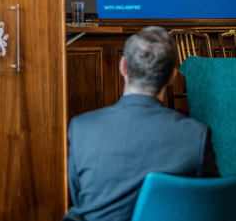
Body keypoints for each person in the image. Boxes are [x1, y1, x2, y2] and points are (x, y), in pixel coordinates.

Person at [63, 26, 218, 221]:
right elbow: (211, 206)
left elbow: (78, 200)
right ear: (172, 76)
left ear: (123, 66)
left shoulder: (81, 128)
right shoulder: (197, 135)